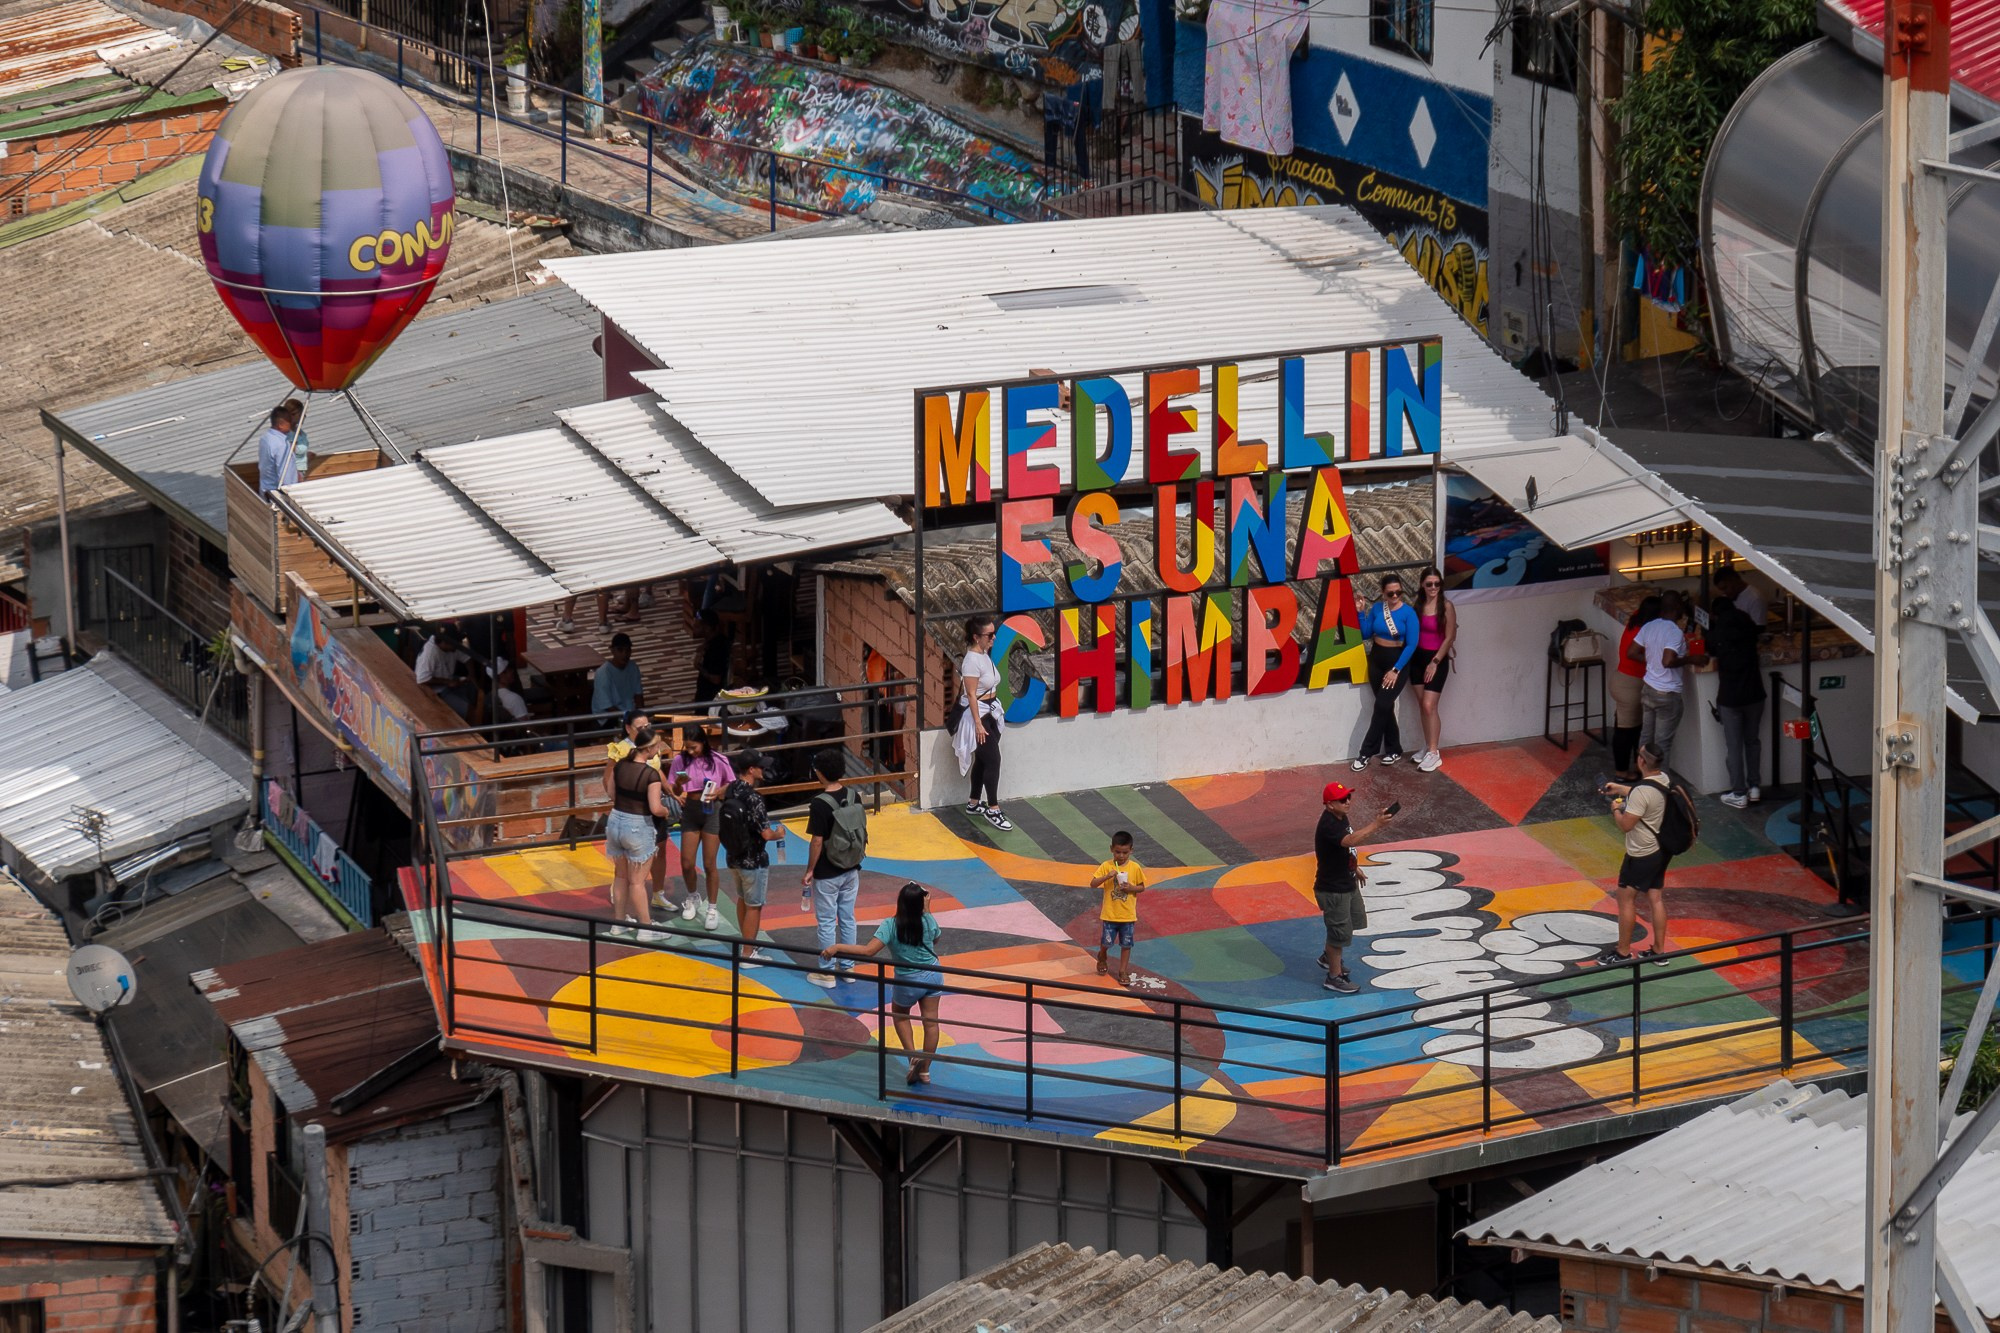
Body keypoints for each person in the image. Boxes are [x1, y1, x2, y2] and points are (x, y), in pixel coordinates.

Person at [822, 882, 942, 1084]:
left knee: (900, 1016)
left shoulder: (890, 925)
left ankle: (913, 1058)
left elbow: (868, 951)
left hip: (908, 980)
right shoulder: (928, 920)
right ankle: (925, 1071)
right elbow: (935, 939)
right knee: (931, 1023)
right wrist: (927, 910)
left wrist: (836, 947)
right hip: (933, 976)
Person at [1314, 780, 1394, 993]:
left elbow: (1344, 850)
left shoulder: (1340, 816)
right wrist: (1377, 824)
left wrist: (1354, 867)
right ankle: (1333, 976)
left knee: (1353, 923)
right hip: (1334, 889)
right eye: (1342, 800)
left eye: (1349, 797)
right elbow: (1349, 841)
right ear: (1330, 804)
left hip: (1346, 881)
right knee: (1338, 934)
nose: (1348, 801)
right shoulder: (1328, 824)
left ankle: (1327, 957)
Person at [1597, 746, 1674, 965]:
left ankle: (1622, 952)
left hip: (1641, 853)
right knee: (1655, 897)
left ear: (1641, 761)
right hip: (1661, 850)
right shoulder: (1663, 779)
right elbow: (1646, 796)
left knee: (1625, 899)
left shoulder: (1642, 792)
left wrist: (1615, 809)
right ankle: (1659, 952)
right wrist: (1620, 789)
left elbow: (1626, 825)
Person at [801, 748, 868, 987]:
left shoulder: (819, 804)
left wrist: (810, 870)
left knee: (828, 921)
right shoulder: (853, 796)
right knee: (848, 917)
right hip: (852, 867)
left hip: (828, 872)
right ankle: (848, 967)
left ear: (819, 773)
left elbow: (817, 841)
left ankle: (827, 971)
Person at [603, 724, 672, 942]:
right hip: (637, 825)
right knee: (637, 881)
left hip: (615, 821)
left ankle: (619, 924)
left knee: (621, 876)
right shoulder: (650, 774)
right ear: (650, 748)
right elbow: (655, 808)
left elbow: (611, 792)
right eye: (657, 745)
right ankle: (645, 928)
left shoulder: (621, 766)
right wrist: (667, 810)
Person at [718, 751, 784, 965]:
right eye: (760, 767)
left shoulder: (731, 789)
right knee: (754, 905)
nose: (764, 770)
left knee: (742, 899)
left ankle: (746, 941)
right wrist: (779, 834)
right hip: (754, 859)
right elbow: (766, 834)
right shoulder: (754, 798)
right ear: (751, 770)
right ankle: (747, 953)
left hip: (733, 856)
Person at [667, 728, 735, 930]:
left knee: (709, 863)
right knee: (687, 862)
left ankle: (712, 908)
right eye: (686, 748)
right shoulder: (680, 761)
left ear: (703, 743)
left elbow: (730, 783)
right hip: (691, 810)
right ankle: (693, 896)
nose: (690, 751)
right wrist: (678, 785)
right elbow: (675, 789)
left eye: (693, 747)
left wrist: (718, 793)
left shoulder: (718, 759)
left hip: (712, 811)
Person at [1352, 572, 1420, 770]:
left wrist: (1396, 670)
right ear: (1383, 594)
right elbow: (1365, 634)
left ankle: (1365, 752)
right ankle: (1394, 749)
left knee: (1382, 705)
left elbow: (1412, 644)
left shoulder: (1409, 613)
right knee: (1385, 706)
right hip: (1376, 660)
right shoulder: (1377, 609)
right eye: (1391, 594)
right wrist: (1360, 612)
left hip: (1397, 662)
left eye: (1399, 592)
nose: (1395, 597)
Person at [1708, 596, 1766, 808]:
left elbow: (1710, 649)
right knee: (1752, 741)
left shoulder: (1719, 632)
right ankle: (1754, 788)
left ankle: (1738, 792)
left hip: (1730, 698)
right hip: (1755, 694)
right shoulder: (1748, 626)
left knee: (1734, 746)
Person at [956, 615, 1013, 831]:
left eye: (993, 633)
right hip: (978, 716)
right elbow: (971, 695)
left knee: (982, 759)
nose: (994, 638)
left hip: (989, 713)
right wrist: (978, 724)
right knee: (993, 760)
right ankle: (993, 808)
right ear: (976, 637)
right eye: (989, 635)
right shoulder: (971, 660)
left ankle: (973, 802)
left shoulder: (984, 654)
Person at [1407, 566, 1457, 773]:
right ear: (1422, 585)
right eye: (1429, 584)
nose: (1433, 587)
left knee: (1430, 706)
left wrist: (1435, 662)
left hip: (1436, 660)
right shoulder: (1417, 606)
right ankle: (1428, 747)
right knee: (1422, 705)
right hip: (1417, 659)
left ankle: (1435, 753)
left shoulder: (1446, 606)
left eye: (1437, 584)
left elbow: (1450, 637)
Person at [1630, 591, 1688, 763]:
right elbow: (1668, 661)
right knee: (1662, 746)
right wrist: (1692, 659)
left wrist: (1650, 661)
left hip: (1648, 689)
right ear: (1678, 608)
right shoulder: (1675, 632)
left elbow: (1632, 652)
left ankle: (1644, 780)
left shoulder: (1649, 626)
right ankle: (1659, 786)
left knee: (1645, 740)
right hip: (1667, 693)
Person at [1609, 595, 1661, 782]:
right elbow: (1636, 654)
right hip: (1630, 684)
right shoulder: (1646, 630)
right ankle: (1621, 773)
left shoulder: (1636, 619)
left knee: (1631, 729)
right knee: (1626, 732)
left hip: (1622, 680)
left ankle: (1632, 768)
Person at [1088, 831, 1147, 983]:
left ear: (1131, 850)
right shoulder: (1106, 866)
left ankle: (1123, 971)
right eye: (1117, 852)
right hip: (1109, 914)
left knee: (1126, 944)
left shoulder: (1135, 868)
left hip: (1128, 915)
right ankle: (1102, 955)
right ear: (1111, 849)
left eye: (1125, 853)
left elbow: (1141, 887)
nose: (1121, 856)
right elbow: (1093, 884)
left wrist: (1130, 888)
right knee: (1106, 942)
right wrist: (1107, 876)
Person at [414, 625, 477, 718]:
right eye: (454, 643)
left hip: (449, 682)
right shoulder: (430, 652)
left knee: (473, 693)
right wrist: (447, 682)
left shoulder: (452, 647)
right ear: (443, 642)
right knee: (469, 711)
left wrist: (471, 675)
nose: (457, 645)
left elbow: (467, 658)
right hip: (435, 692)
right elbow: (422, 679)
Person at [256, 399, 308, 496]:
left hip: (265, 489)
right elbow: (287, 477)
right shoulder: (282, 445)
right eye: (289, 421)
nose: (291, 423)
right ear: (280, 424)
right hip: (277, 495)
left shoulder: (265, 438)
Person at [590, 632, 645, 717]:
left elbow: (638, 695)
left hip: (628, 713)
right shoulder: (603, 673)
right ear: (612, 650)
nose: (624, 654)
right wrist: (628, 719)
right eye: (620, 650)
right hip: (606, 717)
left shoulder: (633, 667)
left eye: (627, 650)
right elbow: (607, 706)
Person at [693, 608, 733, 703]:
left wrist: (698, 667)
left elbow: (716, 679)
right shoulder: (718, 640)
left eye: (697, 626)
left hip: (710, 699)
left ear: (707, 628)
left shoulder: (716, 650)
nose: (694, 627)